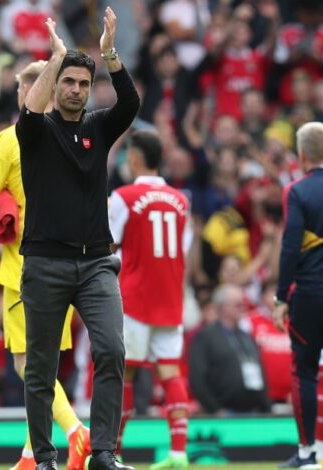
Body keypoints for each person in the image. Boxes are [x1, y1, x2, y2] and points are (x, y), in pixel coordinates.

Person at [15, 10, 139, 470]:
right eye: (68, 82)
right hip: (44, 263)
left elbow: (130, 104)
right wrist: (56, 56)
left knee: (111, 350)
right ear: (55, 84)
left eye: (83, 84)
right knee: (41, 368)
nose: (75, 90)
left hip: (96, 265)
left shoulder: (99, 127)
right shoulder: (36, 133)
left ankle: (103, 452)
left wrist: (108, 51)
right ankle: (45, 458)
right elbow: (29, 111)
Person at [0, 60, 91, 470]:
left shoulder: (10, 140)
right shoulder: (77, 138)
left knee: (29, 365)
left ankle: (75, 432)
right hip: (72, 265)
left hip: (27, 269)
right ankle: (31, 455)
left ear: (27, 91)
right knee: (44, 364)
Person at [108, 131, 192, 469]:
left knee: (123, 375)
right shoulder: (182, 200)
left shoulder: (123, 197)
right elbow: (183, 250)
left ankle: (113, 451)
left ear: (136, 158)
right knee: (170, 373)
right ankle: (179, 453)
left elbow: (108, 245)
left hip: (136, 298)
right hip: (170, 297)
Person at [273, 121, 323, 469]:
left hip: (311, 293)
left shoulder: (297, 191)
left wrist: (280, 297)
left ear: (301, 153)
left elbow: (291, 246)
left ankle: (307, 453)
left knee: (304, 370)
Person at [188, 284, 270, 414]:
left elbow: (259, 372)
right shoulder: (205, 337)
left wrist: (266, 407)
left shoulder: (246, 337)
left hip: (254, 412)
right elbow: (197, 379)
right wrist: (215, 409)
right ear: (223, 307)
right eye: (238, 305)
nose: (243, 308)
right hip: (224, 413)